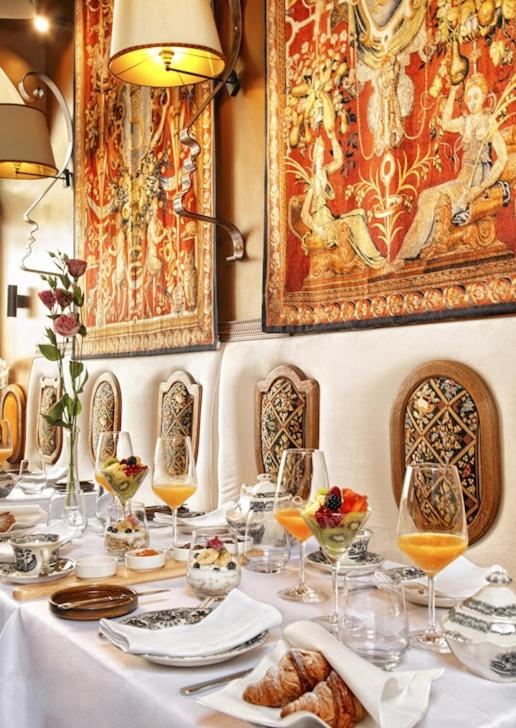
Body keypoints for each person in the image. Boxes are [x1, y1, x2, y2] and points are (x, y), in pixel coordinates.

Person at [391, 72, 508, 268]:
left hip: (477, 180)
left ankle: (405, 255)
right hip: (462, 180)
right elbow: (445, 123)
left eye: (476, 97)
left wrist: (480, 188)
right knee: (427, 196)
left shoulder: (489, 122)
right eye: (469, 98)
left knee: (435, 199)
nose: (472, 102)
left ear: (484, 97)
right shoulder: (465, 122)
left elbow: (502, 158)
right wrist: (453, 91)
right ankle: (410, 251)